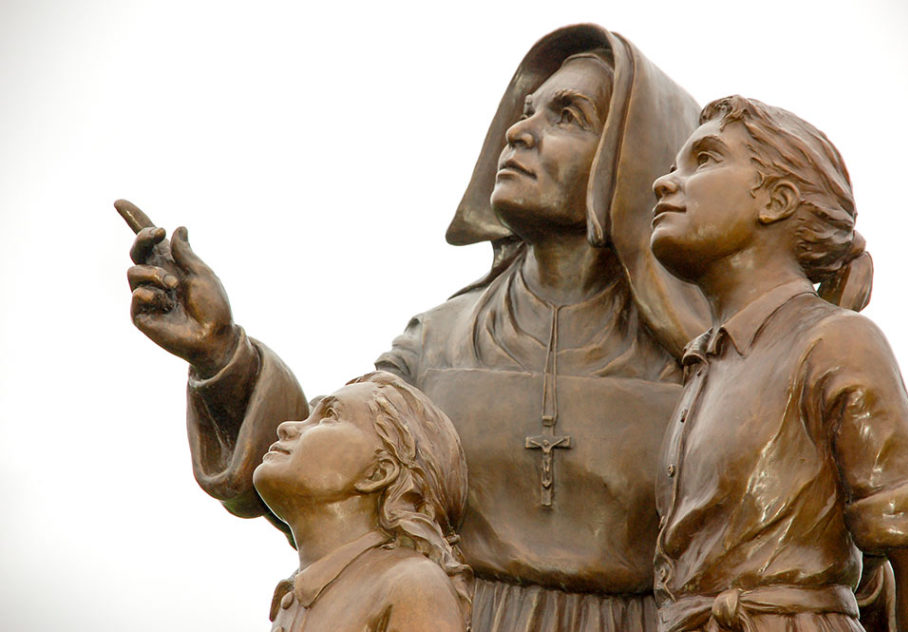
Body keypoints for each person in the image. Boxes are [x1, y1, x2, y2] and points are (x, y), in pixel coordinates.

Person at [125, 24, 707, 632]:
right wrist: (223, 357)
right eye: (527, 111)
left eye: (567, 116)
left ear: (636, 160)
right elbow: (334, 474)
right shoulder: (439, 340)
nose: (520, 131)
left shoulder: (703, 353)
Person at [649, 95, 908, 632]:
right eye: (675, 166)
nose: (664, 183)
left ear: (778, 200)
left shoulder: (837, 342)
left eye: (705, 159)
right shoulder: (704, 365)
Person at [252, 371, 470, 632]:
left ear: (378, 472)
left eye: (330, 415)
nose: (286, 427)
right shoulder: (292, 600)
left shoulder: (414, 585)